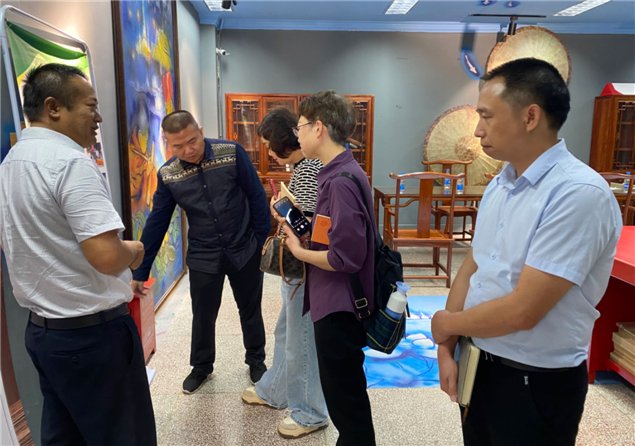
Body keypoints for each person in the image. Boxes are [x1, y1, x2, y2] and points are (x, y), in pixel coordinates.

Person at [431, 58, 623, 446]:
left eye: (486, 116)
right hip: (479, 362)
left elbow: (524, 310)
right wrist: (447, 347)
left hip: (534, 381)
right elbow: (473, 268)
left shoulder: (577, 193)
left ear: (530, 117)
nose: (478, 130)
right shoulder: (500, 184)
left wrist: (448, 324)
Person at [0, 63, 156, 446]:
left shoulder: (10, 164)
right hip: (93, 337)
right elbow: (106, 256)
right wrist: (135, 251)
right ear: (54, 107)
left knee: (65, 436)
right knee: (125, 436)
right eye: (91, 106)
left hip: (43, 334)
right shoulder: (70, 163)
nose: (98, 118)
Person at [131, 110, 271, 394]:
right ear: (168, 143)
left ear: (201, 131)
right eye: (178, 146)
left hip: (244, 248)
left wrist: (259, 242)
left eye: (192, 141)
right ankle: (201, 366)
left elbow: (257, 197)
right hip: (203, 255)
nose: (188, 150)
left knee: (250, 309)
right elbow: (157, 222)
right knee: (203, 315)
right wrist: (141, 270)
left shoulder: (231, 153)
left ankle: (256, 360)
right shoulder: (169, 174)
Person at [280, 91, 376, 446]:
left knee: (346, 402)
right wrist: (305, 234)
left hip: (340, 307)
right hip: (335, 302)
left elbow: (344, 258)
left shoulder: (339, 181)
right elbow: (334, 236)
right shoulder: (339, 172)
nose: (298, 135)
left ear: (318, 128)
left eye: (300, 127)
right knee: (345, 399)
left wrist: (297, 251)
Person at [241, 108, 329, 439]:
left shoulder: (308, 169)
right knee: (286, 331)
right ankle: (275, 390)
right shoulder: (308, 167)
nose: (269, 151)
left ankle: (311, 412)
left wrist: (282, 214)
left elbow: (306, 226)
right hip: (301, 264)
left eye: (269, 144)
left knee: (300, 340)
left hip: (303, 265)